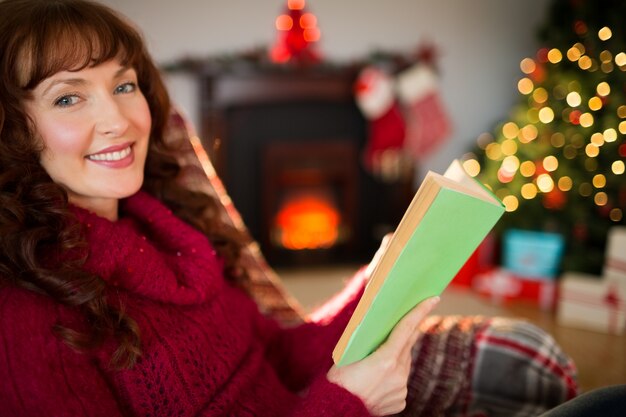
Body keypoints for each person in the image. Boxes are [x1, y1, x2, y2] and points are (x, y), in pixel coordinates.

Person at [0, 1, 579, 416]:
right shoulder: (29, 318)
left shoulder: (173, 234)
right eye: (69, 96)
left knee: (543, 363)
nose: (119, 120)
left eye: (124, 85)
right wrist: (347, 402)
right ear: (11, 130)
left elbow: (277, 352)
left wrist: (381, 274)